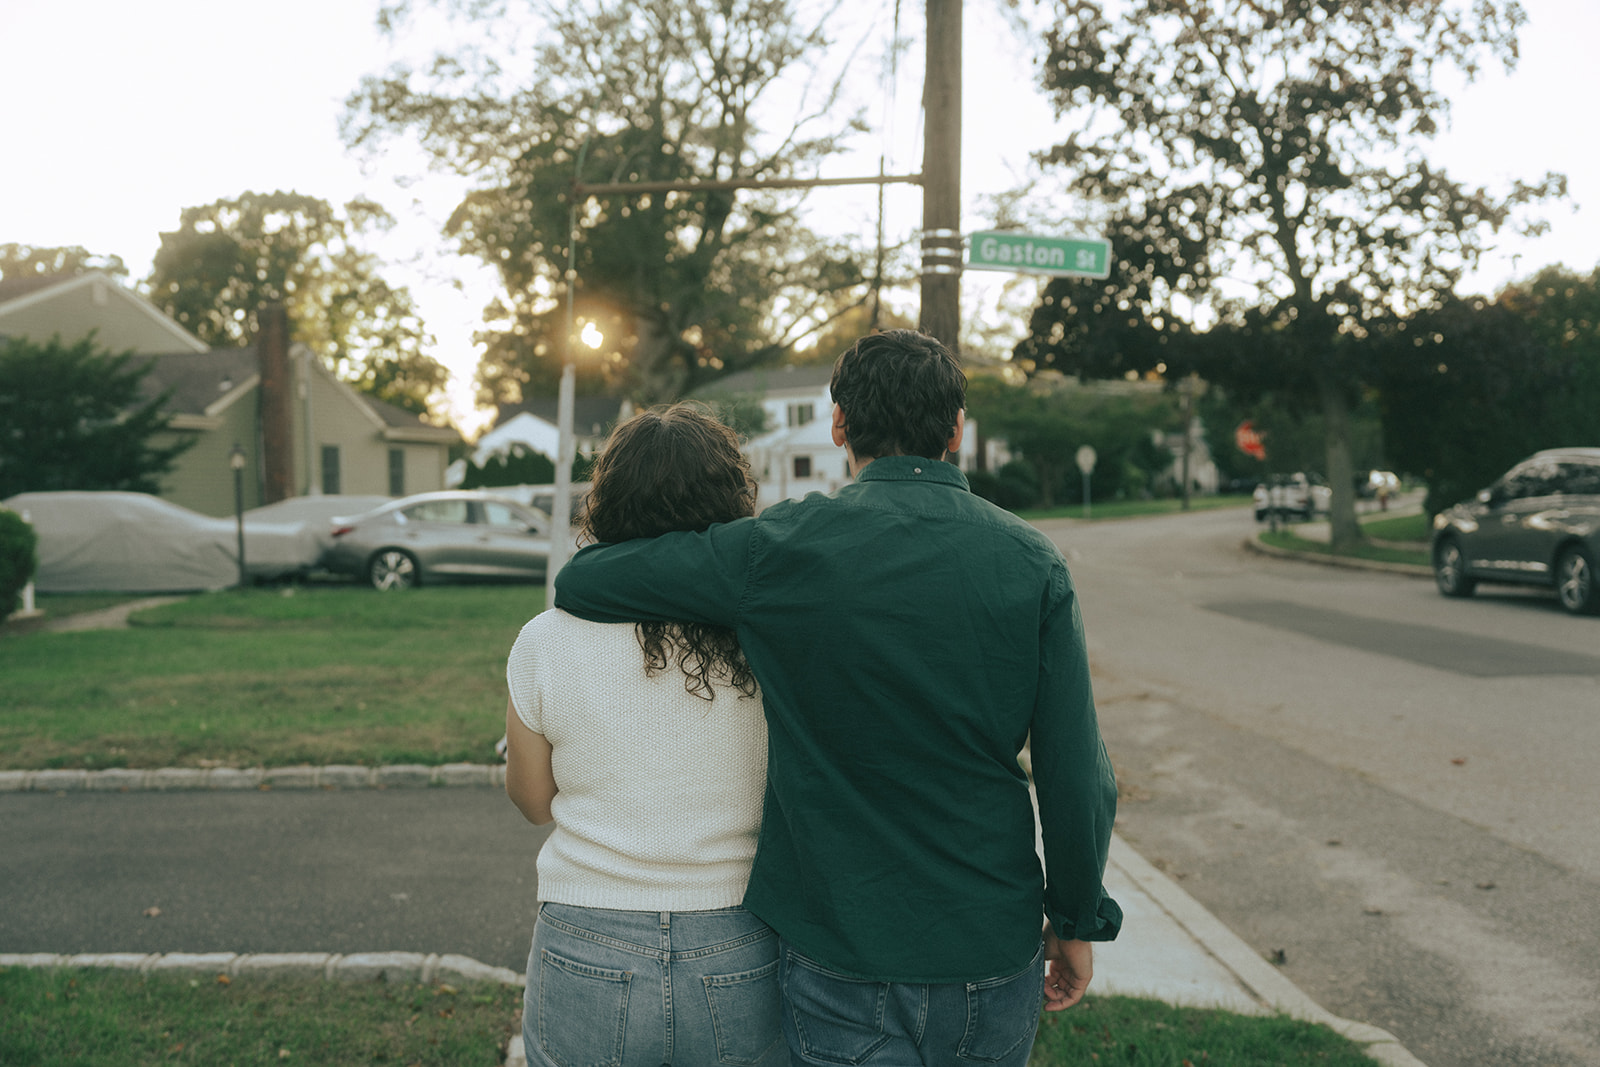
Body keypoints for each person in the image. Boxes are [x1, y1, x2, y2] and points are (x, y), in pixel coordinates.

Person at [555, 329, 1121, 1066]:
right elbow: (1078, 772)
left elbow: (585, 580)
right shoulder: (1032, 561)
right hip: (988, 937)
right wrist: (1074, 919)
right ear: (955, 429)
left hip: (840, 945)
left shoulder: (780, 550)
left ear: (839, 424)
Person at [503, 404, 784, 1067]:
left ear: (607, 501)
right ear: (731, 500)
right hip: (739, 933)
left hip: (585, 931)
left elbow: (532, 799)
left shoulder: (545, 639)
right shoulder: (769, 636)